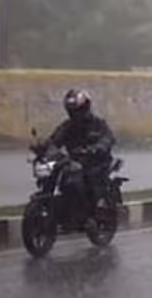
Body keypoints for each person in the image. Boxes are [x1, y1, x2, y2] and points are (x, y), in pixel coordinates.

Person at [47, 89, 117, 227]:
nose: (75, 114)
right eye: (72, 110)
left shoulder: (98, 123)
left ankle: (93, 213)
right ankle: (63, 211)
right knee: (62, 177)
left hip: (96, 162)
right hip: (74, 162)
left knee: (88, 180)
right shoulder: (67, 126)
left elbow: (108, 138)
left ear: (85, 107)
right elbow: (55, 140)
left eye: (77, 110)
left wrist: (97, 148)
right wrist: (46, 148)